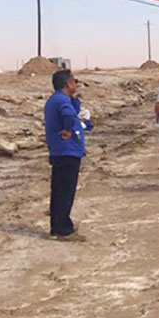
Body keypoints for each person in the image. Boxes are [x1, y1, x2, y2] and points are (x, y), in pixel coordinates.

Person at [43, 69, 93, 241]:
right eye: (74, 82)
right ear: (67, 83)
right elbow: (69, 116)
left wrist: (74, 98)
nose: (76, 85)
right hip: (67, 151)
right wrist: (67, 129)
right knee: (65, 192)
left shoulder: (56, 99)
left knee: (59, 191)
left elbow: (74, 110)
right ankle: (62, 230)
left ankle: (58, 226)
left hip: (60, 151)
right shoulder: (61, 101)